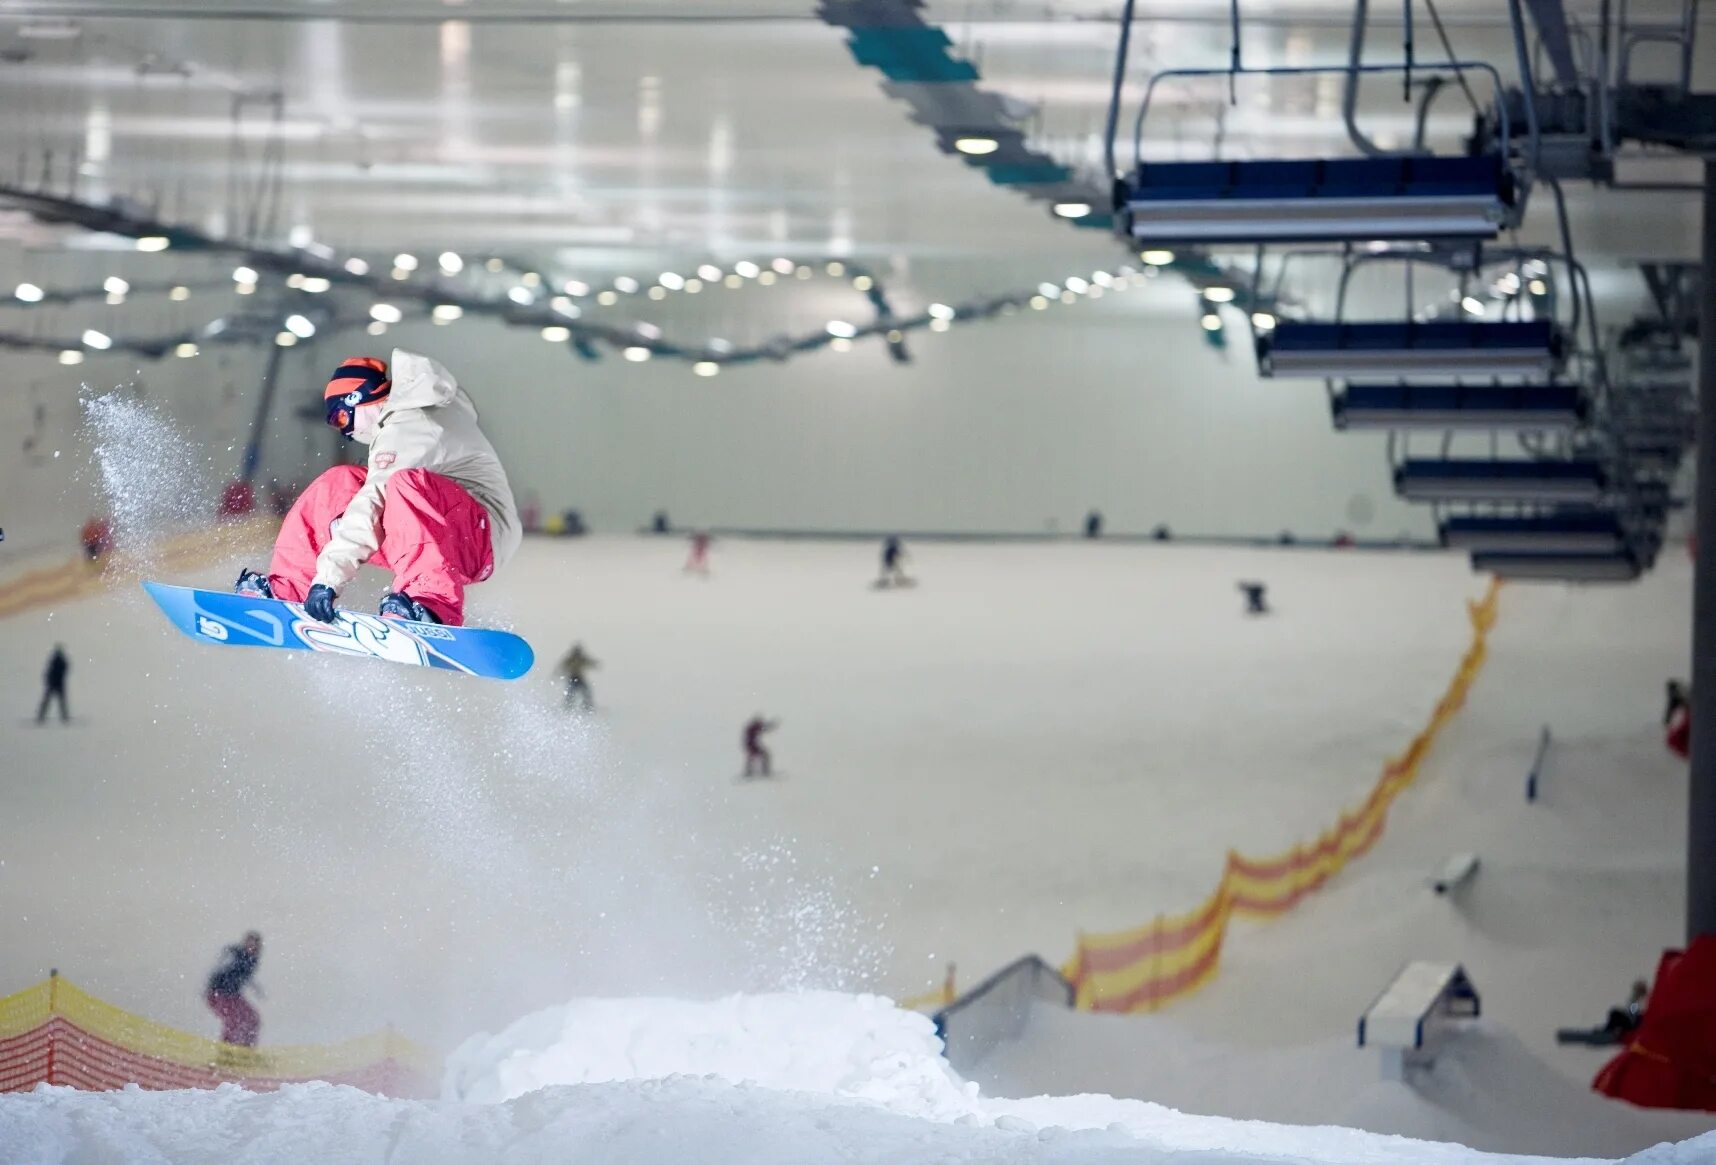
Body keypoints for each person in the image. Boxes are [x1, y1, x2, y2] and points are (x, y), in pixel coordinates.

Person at [233, 351, 520, 626]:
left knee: (402, 485)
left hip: (481, 541)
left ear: (358, 399)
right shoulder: (404, 418)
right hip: (447, 529)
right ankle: (290, 587)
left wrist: (328, 580)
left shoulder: (409, 424)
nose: (346, 432)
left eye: (341, 419)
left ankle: (431, 602)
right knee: (338, 483)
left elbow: (373, 500)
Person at [205, 931, 264, 1047]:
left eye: (254, 944)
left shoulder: (252, 960)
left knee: (253, 1019)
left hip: (233, 995)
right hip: (219, 993)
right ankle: (226, 1050)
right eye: (249, 943)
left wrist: (256, 987)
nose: (251, 946)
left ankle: (247, 1051)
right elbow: (220, 969)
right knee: (233, 1020)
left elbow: (243, 975)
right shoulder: (236, 953)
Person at [559, 643, 599, 711]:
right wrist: (558, 673)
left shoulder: (581, 658)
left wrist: (595, 663)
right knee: (571, 693)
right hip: (573, 678)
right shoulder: (571, 659)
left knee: (586, 692)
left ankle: (587, 706)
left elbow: (589, 662)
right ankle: (568, 706)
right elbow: (563, 665)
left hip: (580, 678)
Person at [35, 645, 68, 725]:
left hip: (55, 684)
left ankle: (41, 716)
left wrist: (49, 679)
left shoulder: (57, 661)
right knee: (59, 702)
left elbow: (50, 672)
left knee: (51, 701)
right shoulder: (59, 661)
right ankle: (64, 717)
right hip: (56, 684)